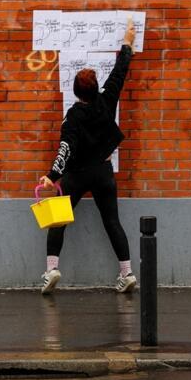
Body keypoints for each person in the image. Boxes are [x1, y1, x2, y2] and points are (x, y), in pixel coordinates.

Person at [37, 18, 137, 294]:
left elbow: (65, 148)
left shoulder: (73, 116)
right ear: (95, 89)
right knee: (112, 221)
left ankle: (51, 270)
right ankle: (127, 273)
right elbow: (119, 72)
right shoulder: (106, 101)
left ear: (76, 92)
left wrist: (52, 176)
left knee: (59, 219)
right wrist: (127, 42)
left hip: (77, 175)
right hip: (103, 172)